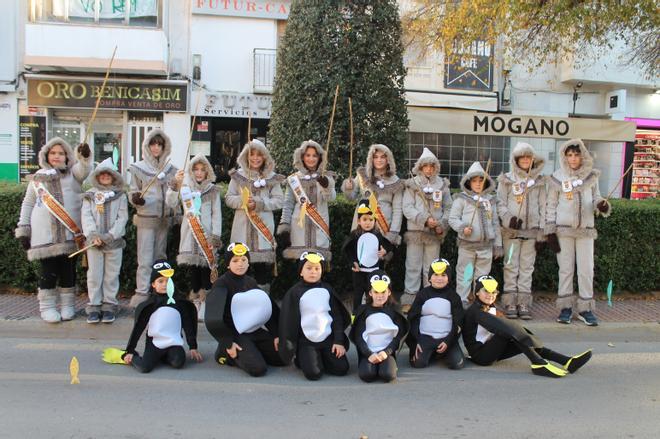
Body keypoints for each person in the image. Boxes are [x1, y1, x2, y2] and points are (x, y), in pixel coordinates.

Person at [15, 137, 93, 323]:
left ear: (67, 156)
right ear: (46, 155)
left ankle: (68, 306)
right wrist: (24, 228)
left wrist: (84, 157)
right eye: (53, 153)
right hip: (45, 236)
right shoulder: (37, 179)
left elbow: (84, 170)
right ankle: (47, 307)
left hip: (70, 234)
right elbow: (28, 203)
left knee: (68, 272)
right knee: (48, 272)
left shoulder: (73, 174)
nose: (57, 156)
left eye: (61, 153)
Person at [462, 275, 592, 378]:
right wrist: (525, 336)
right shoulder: (475, 311)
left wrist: (526, 337)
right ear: (477, 293)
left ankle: (567, 361)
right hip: (481, 356)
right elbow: (502, 327)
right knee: (511, 333)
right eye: (486, 291)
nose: (490, 294)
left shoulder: (491, 308)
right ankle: (538, 363)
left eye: (494, 291)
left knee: (517, 337)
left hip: (492, 349)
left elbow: (507, 326)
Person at [546, 139, 612, 326]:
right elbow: (550, 205)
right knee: (565, 269)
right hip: (563, 231)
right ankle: (566, 307)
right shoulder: (556, 177)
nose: (573, 158)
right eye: (569, 155)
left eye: (576, 154)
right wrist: (550, 230)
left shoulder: (592, 176)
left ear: (582, 155)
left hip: (585, 231)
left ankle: (585, 309)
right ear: (564, 157)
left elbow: (597, 197)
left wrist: (602, 204)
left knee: (586, 270)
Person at [205, 243, 285, 377]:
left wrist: (276, 334)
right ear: (228, 264)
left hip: (254, 330)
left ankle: (252, 350)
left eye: (243, 260)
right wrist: (228, 343)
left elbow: (266, 307)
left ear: (248, 263)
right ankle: (225, 353)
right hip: (234, 334)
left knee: (283, 358)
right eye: (235, 260)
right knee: (258, 369)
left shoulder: (251, 282)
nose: (240, 264)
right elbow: (212, 318)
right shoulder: (221, 284)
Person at [120, 259, 202, 373]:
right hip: (155, 343)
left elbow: (187, 324)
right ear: (153, 284)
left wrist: (193, 346)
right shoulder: (150, 305)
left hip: (173, 343)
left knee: (179, 362)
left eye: (168, 281)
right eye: (160, 281)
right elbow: (139, 328)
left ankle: (164, 356)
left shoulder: (179, 302)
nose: (165, 284)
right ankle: (134, 357)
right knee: (144, 367)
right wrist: (130, 350)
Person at [278, 251, 350, 380]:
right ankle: (302, 357)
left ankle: (322, 356)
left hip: (327, 338)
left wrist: (338, 341)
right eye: (309, 268)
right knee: (314, 374)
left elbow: (337, 317)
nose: (313, 272)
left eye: (317, 268)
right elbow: (288, 322)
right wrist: (290, 346)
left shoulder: (327, 290)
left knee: (341, 369)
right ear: (301, 271)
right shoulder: (294, 293)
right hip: (306, 341)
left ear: (322, 271)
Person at [128, 129, 179, 308]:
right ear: (147, 146)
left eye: (159, 144)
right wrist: (135, 199)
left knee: (161, 257)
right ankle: (142, 292)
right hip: (146, 218)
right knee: (145, 258)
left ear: (164, 147)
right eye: (153, 144)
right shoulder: (139, 167)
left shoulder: (171, 169)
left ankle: (161, 291)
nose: (156, 148)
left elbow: (175, 194)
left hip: (164, 220)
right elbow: (133, 190)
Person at [166, 153, 222, 317]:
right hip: (190, 237)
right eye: (195, 169)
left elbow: (216, 215)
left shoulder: (213, 190)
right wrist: (175, 184)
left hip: (207, 238)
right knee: (194, 271)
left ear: (207, 172)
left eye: (202, 170)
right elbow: (171, 202)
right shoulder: (184, 189)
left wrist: (216, 236)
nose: (199, 173)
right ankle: (196, 300)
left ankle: (206, 301)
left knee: (206, 271)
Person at [225, 139, 284, 292]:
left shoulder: (272, 178)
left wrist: (259, 203)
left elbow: (279, 201)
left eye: (259, 155)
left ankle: (262, 302)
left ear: (265, 157)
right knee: (241, 269)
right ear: (246, 156)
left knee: (261, 272)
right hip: (242, 231)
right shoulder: (237, 176)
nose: (255, 158)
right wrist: (243, 201)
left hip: (263, 231)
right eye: (252, 154)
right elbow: (229, 198)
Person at [496, 142, 546, 320]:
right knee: (511, 266)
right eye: (521, 157)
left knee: (527, 267)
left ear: (532, 159)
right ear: (516, 160)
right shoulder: (506, 180)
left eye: (528, 157)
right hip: (511, 232)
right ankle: (510, 301)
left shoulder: (539, 181)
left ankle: (523, 302)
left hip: (531, 233)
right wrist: (509, 218)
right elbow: (499, 203)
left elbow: (543, 206)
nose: (525, 160)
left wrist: (542, 232)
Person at [401, 147, 452, 310]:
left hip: (434, 234)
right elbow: (407, 207)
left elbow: (449, 207)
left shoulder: (443, 185)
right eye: (425, 166)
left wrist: (441, 224)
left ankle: (429, 298)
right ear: (420, 167)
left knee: (430, 267)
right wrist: (424, 220)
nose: (429, 169)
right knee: (413, 265)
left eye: (432, 166)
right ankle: (411, 298)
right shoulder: (412, 184)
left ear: (435, 167)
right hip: (416, 232)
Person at [81, 158, 128, 324]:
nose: (106, 177)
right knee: (94, 275)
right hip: (94, 245)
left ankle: (109, 305)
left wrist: (110, 235)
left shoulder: (120, 196)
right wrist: (93, 235)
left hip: (114, 243)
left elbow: (122, 218)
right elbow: (86, 217)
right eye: (103, 174)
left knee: (111, 275)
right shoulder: (90, 196)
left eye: (110, 174)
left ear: (114, 176)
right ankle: (94, 305)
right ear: (97, 176)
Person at [449, 161, 503, 307]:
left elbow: (495, 224)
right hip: (467, 246)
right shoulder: (461, 199)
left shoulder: (490, 200)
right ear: (468, 182)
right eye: (474, 181)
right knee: (465, 275)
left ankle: (480, 302)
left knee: (482, 276)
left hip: (486, 247)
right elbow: (453, 219)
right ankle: (462, 301)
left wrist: (498, 245)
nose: (478, 184)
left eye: (481, 180)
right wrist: (462, 228)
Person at [277, 140, 335, 261]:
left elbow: (331, 198)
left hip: (320, 227)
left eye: (314, 155)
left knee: (318, 267)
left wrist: (326, 185)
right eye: (307, 155)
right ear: (302, 157)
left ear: (320, 158)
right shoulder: (293, 179)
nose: (311, 158)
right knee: (301, 266)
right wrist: (285, 225)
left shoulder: (326, 177)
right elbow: (288, 204)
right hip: (298, 228)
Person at [349, 271, 408, 383]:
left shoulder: (395, 311)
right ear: (370, 293)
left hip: (386, 352)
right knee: (367, 375)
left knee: (388, 375)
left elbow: (398, 336)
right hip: (369, 352)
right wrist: (368, 354)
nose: (380, 296)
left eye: (383, 292)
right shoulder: (363, 311)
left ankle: (390, 364)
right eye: (376, 292)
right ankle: (369, 363)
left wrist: (386, 352)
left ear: (389, 292)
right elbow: (359, 336)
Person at [406, 259, 464, 370]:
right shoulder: (422, 294)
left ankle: (441, 353)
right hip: (425, 337)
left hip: (447, 337)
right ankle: (431, 352)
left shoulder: (454, 296)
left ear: (449, 278)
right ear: (429, 277)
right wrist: (416, 341)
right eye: (436, 275)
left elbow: (459, 321)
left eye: (443, 275)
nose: (439, 278)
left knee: (457, 364)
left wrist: (448, 341)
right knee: (418, 364)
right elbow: (412, 318)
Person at [341, 143, 404, 246]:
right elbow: (351, 197)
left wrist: (393, 233)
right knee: (360, 257)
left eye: (382, 157)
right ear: (371, 159)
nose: (379, 160)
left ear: (388, 159)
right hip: (361, 226)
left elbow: (397, 210)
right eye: (375, 157)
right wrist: (349, 188)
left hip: (383, 227)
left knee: (379, 258)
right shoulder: (363, 175)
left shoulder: (396, 181)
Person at [341, 200, 394, 313]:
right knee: (358, 294)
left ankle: (373, 312)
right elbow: (348, 250)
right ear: (359, 221)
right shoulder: (355, 235)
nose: (368, 223)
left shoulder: (378, 234)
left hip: (374, 272)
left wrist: (384, 251)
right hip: (359, 271)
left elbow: (388, 246)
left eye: (371, 220)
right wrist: (353, 262)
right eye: (364, 219)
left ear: (375, 221)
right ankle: (355, 316)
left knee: (373, 292)